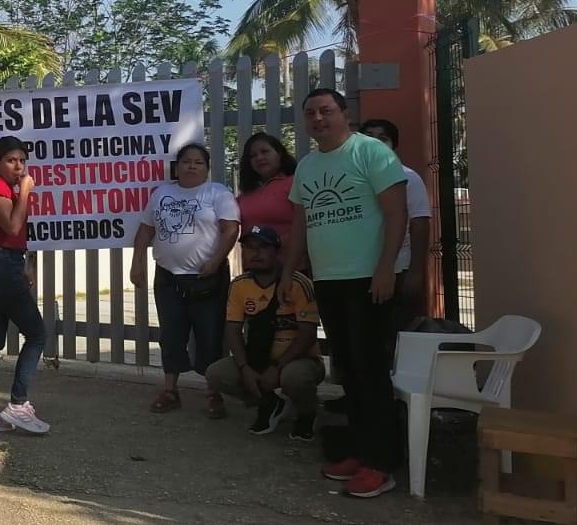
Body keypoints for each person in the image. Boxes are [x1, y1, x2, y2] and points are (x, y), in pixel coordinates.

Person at [280, 87, 407, 499]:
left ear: (344, 113)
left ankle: (381, 464)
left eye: (326, 111)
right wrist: (288, 272)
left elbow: (395, 213)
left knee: (371, 371)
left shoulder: (371, 153)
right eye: (311, 113)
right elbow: (300, 225)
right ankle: (359, 450)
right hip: (329, 281)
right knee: (348, 371)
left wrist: (385, 268)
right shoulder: (307, 166)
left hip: (369, 280)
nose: (319, 119)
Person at [131, 143, 240, 415]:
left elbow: (230, 230)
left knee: (209, 335)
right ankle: (170, 391)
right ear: (177, 167)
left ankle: (213, 393)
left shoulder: (218, 193)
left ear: (206, 168)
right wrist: (137, 261)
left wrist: (215, 263)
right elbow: (145, 229)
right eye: (186, 161)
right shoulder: (162, 193)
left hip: (208, 279)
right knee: (171, 335)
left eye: (198, 162)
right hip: (168, 279)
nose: (192, 166)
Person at [203, 225, 323, 440]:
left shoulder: (298, 284)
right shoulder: (239, 285)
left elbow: (308, 334)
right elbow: (233, 330)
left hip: (298, 360)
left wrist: (278, 366)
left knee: (295, 378)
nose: (255, 253)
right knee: (216, 374)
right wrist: (244, 367)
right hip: (258, 358)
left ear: (277, 252)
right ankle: (270, 403)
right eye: (249, 247)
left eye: (263, 247)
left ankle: (306, 413)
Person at [0, 136, 50, 436]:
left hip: (0, 264)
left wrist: (24, 262)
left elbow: (11, 237)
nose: (19, 166)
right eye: (11, 160)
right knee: (37, 334)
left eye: (22, 160)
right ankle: (18, 404)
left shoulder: (3, 187)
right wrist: (26, 191)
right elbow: (12, 227)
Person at [359, 118, 433, 324]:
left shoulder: (408, 177)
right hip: (362, 269)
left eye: (382, 139)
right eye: (368, 137)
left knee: (398, 330)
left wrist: (416, 271)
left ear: (393, 145)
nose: (375, 143)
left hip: (399, 268)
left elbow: (420, 223)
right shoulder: (354, 179)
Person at [236, 132, 297, 234]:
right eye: (253, 155)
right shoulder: (245, 195)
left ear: (279, 154)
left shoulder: (294, 184)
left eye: (264, 152)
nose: (259, 158)